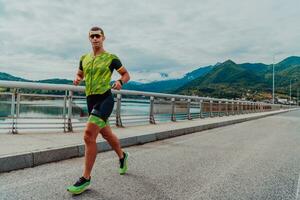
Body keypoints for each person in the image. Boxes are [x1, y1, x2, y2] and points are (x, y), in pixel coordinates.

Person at [67, 26, 130, 195]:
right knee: (107, 134)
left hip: (105, 98)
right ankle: (123, 156)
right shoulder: (84, 58)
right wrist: (78, 79)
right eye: (92, 36)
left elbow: (126, 74)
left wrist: (120, 82)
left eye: (98, 36)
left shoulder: (111, 58)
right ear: (89, 39)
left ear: (103, 38)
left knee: (88, 135)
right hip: (90, 100)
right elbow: (80, 74)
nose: (95, 38)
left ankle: (85, 178)